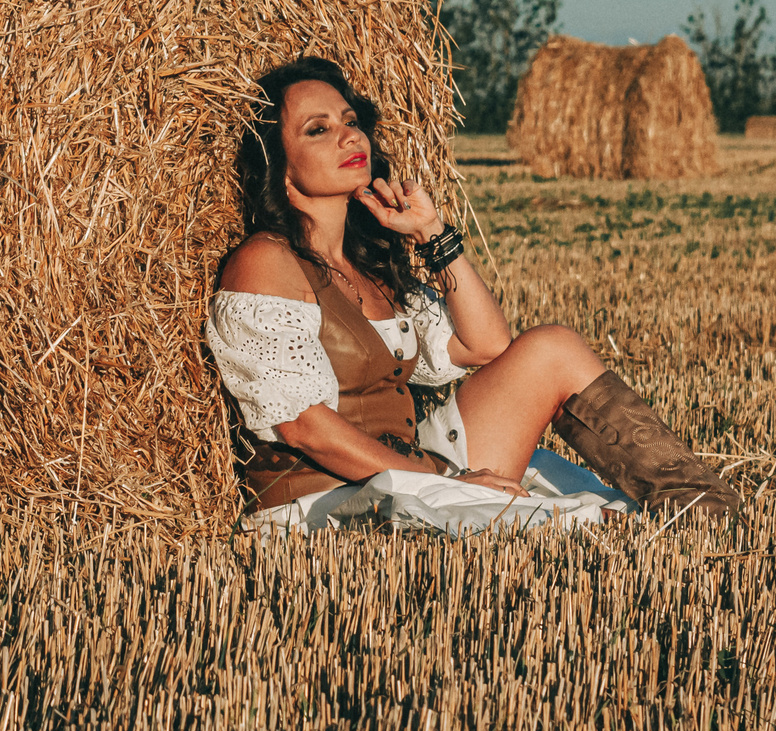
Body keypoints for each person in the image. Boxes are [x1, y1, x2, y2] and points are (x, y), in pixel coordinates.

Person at [206, 55, 742, 534]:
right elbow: (304, 426)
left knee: (551, 348)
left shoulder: (367, 266)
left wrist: (433, 236)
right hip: (331, 500)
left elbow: (485, 345)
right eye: (317, 130)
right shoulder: (266, 262)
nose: (349, 137)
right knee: (586, 522)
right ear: (279, 163)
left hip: (413, 469)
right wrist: (447, 476)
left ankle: (704, 506)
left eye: (351, 121)